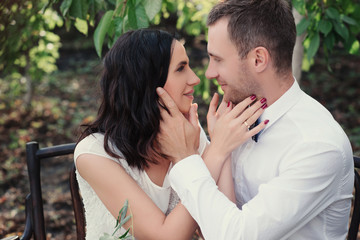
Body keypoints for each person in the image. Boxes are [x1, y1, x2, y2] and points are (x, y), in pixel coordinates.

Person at [155, 0, 355, 239]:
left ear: (258, 59)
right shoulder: (234, 117)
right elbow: (213, 222)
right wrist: (222, 149)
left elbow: (237, 235)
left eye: (217, 59)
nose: (208, 73)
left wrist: (185, 158)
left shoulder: (317, 145)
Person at [74, 28, 266, 239]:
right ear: (146, 80)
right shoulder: (93, 153)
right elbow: (164, 236)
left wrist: (223, 147)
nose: (194, 79)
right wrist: (217, 150)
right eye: (181, 68)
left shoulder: (188, 132)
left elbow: (220, 231)